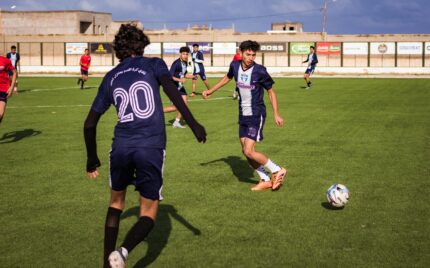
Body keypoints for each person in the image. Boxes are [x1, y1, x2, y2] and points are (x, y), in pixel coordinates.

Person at [83, 24, 206, 268]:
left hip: (120, 147)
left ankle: (106, 263)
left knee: (116, 203)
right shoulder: (153, 64)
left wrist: (91, 158)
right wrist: (193, 124)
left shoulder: (110, 77)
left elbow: (89, 124)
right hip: (150, 146)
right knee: (149, 213)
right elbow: (173, 94)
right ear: (142, 44)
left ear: (118, 49)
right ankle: (123, 252)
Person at [203, 40, 287, 191]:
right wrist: (211, 90)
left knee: (249, 150)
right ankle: (265, 179)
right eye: (248, 54)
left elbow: (271, 91)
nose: (251, 57)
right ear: (240, 53)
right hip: (243, 114)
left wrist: (276, 114)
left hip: (256, 114)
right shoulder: (234, 65)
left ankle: (277, 170)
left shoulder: (260, 71)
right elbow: (227, 78)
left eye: (253, 55)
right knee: (245, 152)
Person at [163, 46, 197, 128]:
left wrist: (192, 76)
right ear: (180, 54)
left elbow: (184, 74)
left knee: (184, 105)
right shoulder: (176, 63)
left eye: (187, 54)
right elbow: (170, 76)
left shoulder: (185, 62)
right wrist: (180, 80)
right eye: (184, 54)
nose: (185, 55)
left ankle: (176, 122)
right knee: (175, 108)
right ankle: (156, 111)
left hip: (180, 87)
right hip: (172, 87)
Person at [0, 54, 17, 124]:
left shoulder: (5, 60)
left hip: (3, 89)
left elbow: (14, 72)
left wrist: (11, 87)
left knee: (1, 115)